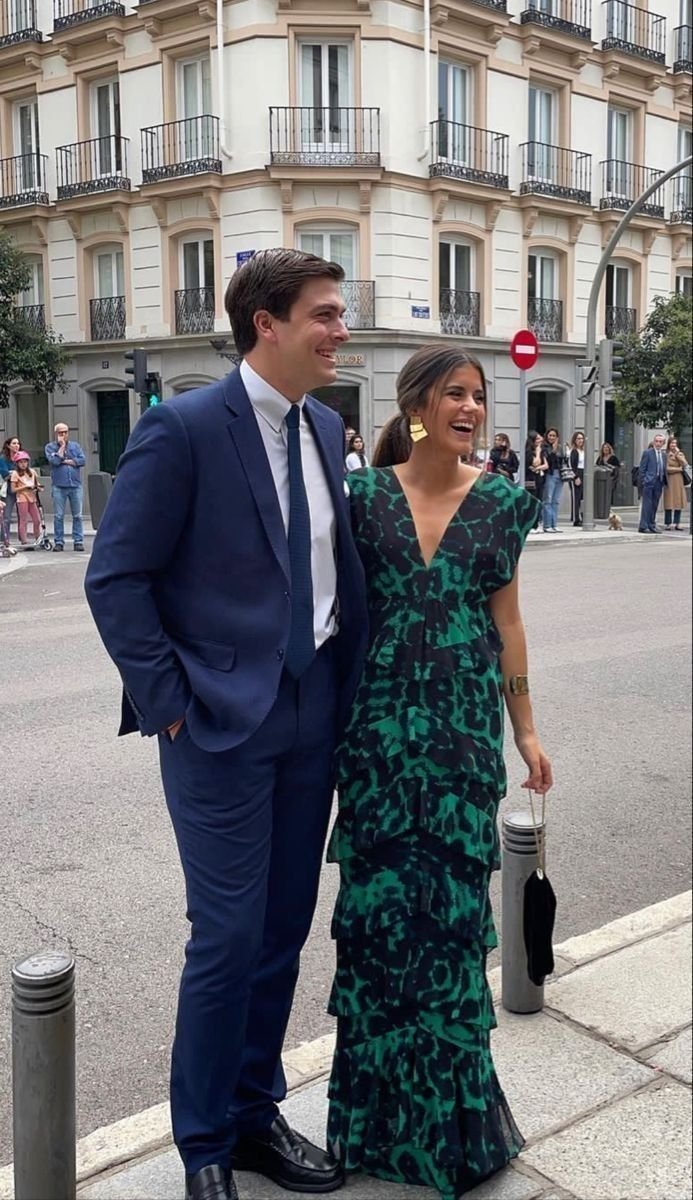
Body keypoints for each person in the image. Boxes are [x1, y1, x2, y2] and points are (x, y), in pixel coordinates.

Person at [85, 249, 368, 1200]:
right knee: (227, 935)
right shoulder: (183, 429)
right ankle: (203, 1143)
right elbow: (115, 578)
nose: (340, 330)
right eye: (325, 315)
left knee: (284, 928)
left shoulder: (327, 429)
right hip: (216, 723)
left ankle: (254, 1113)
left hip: (313, 709)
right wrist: (168, 704)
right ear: (268, 324)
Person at [326, 345, 552, 1200]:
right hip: (378, 743)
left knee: (451, 930)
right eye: (452, 392)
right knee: (380, 928)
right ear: (415, 403)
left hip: (459, 745)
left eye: (478, 395)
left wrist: (525, 729)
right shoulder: (359, 498)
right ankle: (371, 1129)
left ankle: (452, 1136)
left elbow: (510, 625)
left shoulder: (500, 505)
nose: (468, 406)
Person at [44, 424, 86, 551]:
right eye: (61, 432)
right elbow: (55, 461)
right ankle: (59, 542)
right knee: (59, 516)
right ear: (56, 433)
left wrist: (67, 461)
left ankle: (78, 541)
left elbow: (82, 460)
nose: (64, 435)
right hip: (59, 486)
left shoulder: (75, 446)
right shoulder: (50, 447)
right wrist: (61, 447)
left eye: (66, 432)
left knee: (78, 515)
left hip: (75, 485)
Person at [10, 451, 42, 547]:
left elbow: (36, 483)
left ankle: (38, 538)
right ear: (17, 463)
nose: (23, 464)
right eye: (20, 462)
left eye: (25, 462)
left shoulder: (32, 472)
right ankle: (24, 540)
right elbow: (13, 489)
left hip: (32, 498)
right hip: (22, 497)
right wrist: (25, 487)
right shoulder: (15, 474)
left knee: (37, 520)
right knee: (24, 520)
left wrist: (39, 487)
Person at [638, 432, 668, 534]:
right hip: (649, 482)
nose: (658, 443)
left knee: (654, 505)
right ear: (653, 442)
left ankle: (651, 524)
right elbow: (642, 469)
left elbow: (663, 469)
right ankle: (643, 525)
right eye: (656, 441)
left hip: (659, 482)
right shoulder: (648, 453)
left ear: (663, 443)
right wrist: (644, 481)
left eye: (660, 442)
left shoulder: (664, 455)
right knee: (647, 504)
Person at [662, 436, 689, 531]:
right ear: (668, 444)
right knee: (668, 503)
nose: (673, 445)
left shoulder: (680, 454)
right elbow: (666, 469)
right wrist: (678, 469)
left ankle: (677, 523)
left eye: (675, 443)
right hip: (669, 480)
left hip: (679, 481)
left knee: (678, 502)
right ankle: (668, 523)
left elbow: (685, 464)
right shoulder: (665, 455)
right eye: (672, 443)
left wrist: (677, 454)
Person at [542, 427, 565, 533]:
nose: (551, 437)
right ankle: (547, 525)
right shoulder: (544, 447)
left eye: (554, 436)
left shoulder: (560, 447)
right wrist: (553, 450)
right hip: (550, 474)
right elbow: (548, 461)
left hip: (559, 474)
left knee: (555, 501)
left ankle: (554, 524)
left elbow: (562, 460)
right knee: (548, 500)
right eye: (550, 435)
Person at [1, 437, 22, 543]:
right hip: (8, 490)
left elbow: (27, 471)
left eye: (18, 443)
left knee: (22, 516)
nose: (17, 445)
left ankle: (23, 539)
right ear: (8, 445)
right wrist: (17, 474)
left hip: (22, 489)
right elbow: (5, 475)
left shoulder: (22, 457)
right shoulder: (3, 459)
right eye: (14, 443)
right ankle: (4, 539)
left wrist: (13, 473)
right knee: (7, 517)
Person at [525, 430, 548, 529]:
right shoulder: (528, 452)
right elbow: (536, 462)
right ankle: (531, 524)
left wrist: (537, 468)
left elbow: (545, 465)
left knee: (539, 501)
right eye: (538, 438)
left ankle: (537, 523)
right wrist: (538, 453)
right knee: (532, 502)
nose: (540, 440)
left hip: (539, 478)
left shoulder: (541, 451)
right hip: (530, 480)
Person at [596, 442, 621, 508]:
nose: (605, 449)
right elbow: (596, 466)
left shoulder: (613, 458)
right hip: (601, 479)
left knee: (608, 494)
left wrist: (610, 466)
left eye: (607, 447)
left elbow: (618, 467)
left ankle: (608, 507)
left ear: (609, 449)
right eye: (604, 448)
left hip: (610, 479)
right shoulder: (600, 458)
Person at [568, 431, 585, 526]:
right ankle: (576, 518)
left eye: (582, 438)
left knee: (583, 498)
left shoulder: (584, 451)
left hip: (584, 473)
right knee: (576, 497)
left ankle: (583, 517)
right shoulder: (573, 451)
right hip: (577, 474)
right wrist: (575, 477)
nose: (580, 440)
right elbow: (571, 465)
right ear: (574, 440)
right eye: (578, 438)